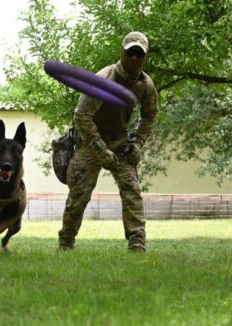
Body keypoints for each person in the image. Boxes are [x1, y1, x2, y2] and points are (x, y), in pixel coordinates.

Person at [59, 31, 158, 253]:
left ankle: (137, 242)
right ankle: (66, 241)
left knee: (132, 189)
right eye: (130, 52)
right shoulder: (104, 79)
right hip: (90, 141)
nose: (134, 58)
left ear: (144, 57)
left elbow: (150, 115)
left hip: (120, 141)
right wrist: (100, 150)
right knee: (79, 193)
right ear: (122, 52)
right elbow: (81, 116)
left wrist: (138, 143)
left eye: (138, 54)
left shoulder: (145, 84)